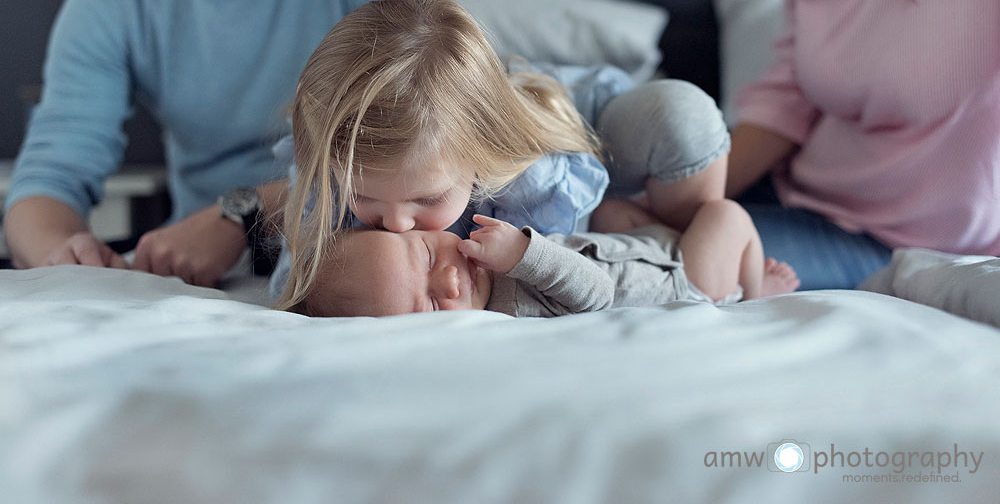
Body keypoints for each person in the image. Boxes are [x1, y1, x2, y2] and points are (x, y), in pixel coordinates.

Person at [2, 0, 443, 285]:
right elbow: (49, 174)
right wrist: (61, 257)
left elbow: (417, 145)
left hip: (354, 260)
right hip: (191, 280)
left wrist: (245, 214)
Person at [271, 0, 732, 310]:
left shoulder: (531, 175)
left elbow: (569, 273)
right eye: (366, 198)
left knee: (680, 116)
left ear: (480, 154)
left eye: (427, 199)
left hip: (578, 135)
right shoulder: (332, 169)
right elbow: (305, 284)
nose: (394, 225)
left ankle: (688, 238)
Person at [726, 0, 999, 290]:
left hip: (911, 246)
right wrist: (683, 199)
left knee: (679, 265)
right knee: (622, 221)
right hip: (803, 194)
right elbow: (792, 87)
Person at [288, 211, 800, 318]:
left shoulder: (482, 253)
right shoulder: (508, 312)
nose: (448, 279)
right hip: (678, 282)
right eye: (427, 305)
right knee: (725, 215)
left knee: (614, 210)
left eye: (426, 255)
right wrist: (524, 254)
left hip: (639, 248)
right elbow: (596, 294)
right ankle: (751, 300)